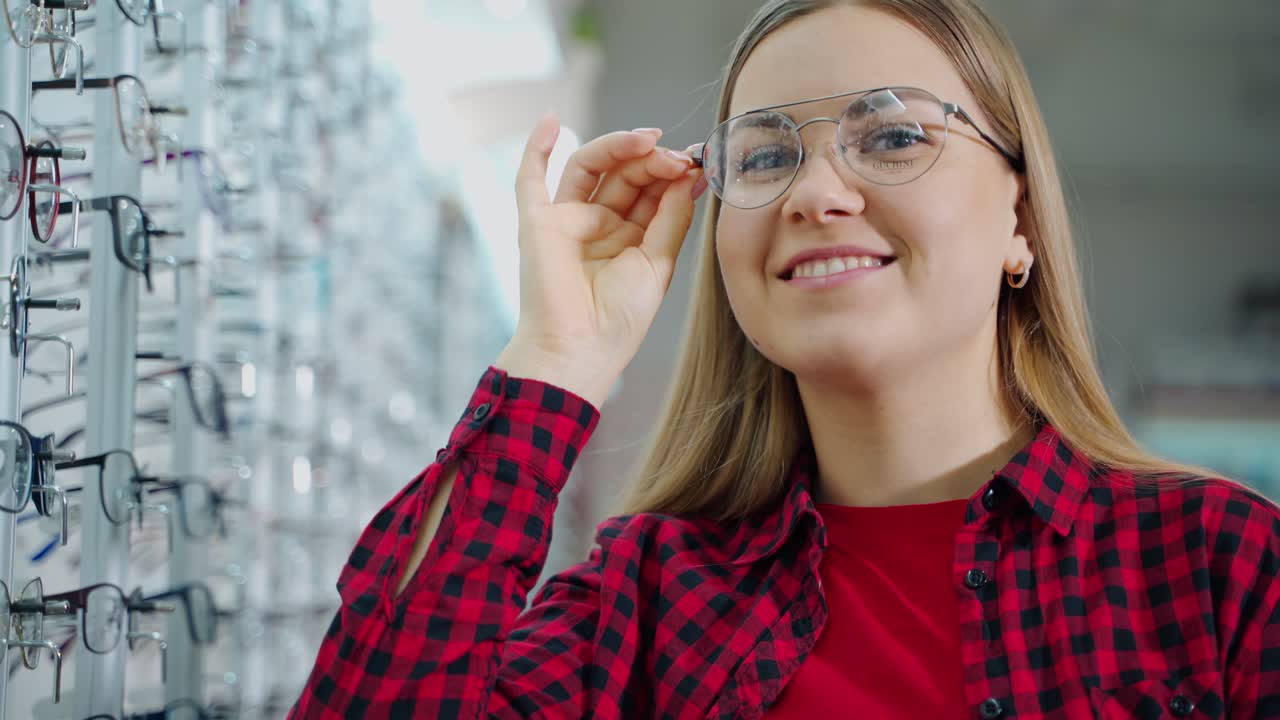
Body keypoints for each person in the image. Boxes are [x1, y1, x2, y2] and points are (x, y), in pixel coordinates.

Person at [289, 1, 1280, 717]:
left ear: (1018, 219)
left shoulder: (1220, 568)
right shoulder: (642, 602)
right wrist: (556, 358)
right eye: (762, 156)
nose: (814, 193)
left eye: (890, 137)